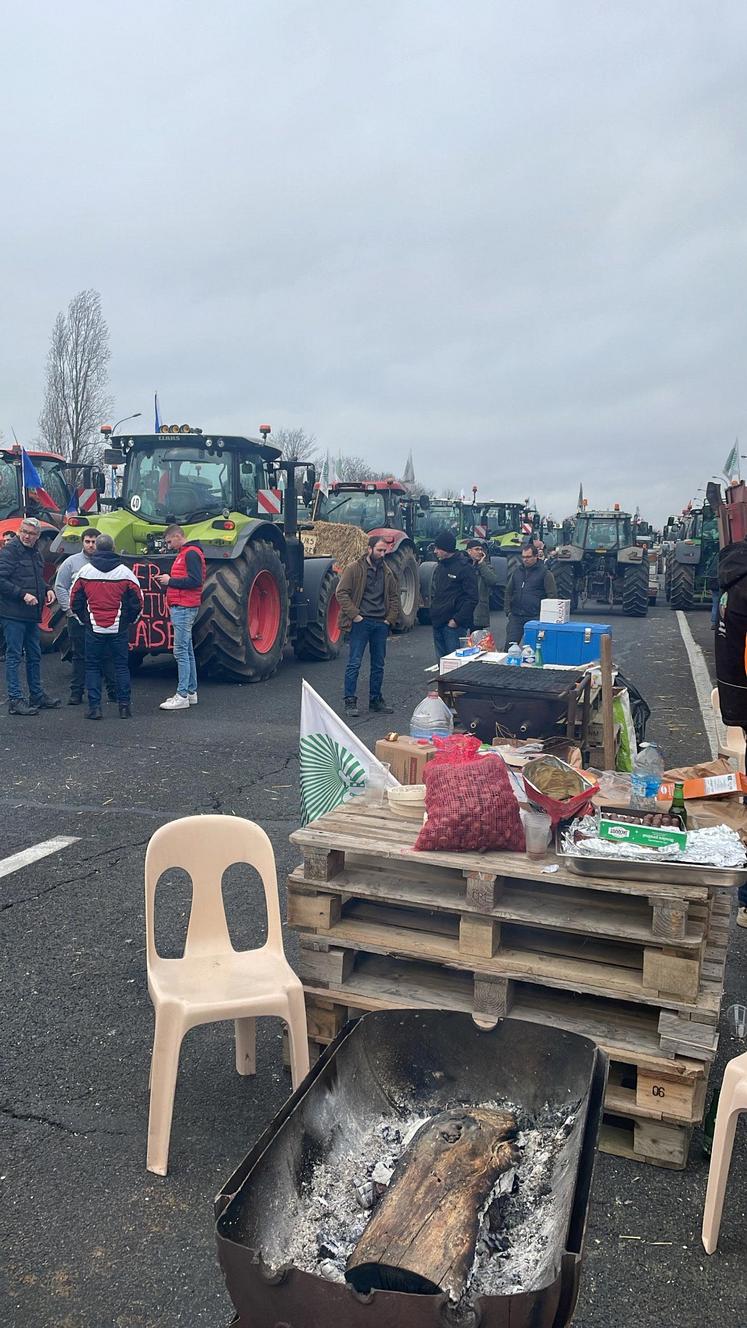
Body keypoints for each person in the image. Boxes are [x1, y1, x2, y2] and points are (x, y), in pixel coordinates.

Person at [70, 533, 144, 720]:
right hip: (118, 628)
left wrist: (85, 619)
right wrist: (129, 621)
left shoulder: (85, 571)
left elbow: (74, 600)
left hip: (94, 628)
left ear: (97, 547)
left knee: (92, 667)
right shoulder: (125, 572)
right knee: (121, 667)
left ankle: (95, 708)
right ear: (113, 548)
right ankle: (124, 707)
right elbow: (138, 601)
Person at [0, 517, 60, 715]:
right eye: (24, 531)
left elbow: (35, 578)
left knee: (34, 656)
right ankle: (15, 700)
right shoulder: (10, 551)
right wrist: (22, 594)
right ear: (19, 531)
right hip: (13, 614)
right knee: (14, 656)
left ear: (37, 537)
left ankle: (36, 695)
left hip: (31, 616)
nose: (27, 536)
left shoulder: (35, 553)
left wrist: (47, 588)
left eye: (32, 534)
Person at [336, 535, 400, 717]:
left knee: (378, 664)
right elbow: (341, 593)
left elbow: (394, 597)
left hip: (381, 623)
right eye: (379, 550)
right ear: (369, 549)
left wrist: (390, 618)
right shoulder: (354, 569)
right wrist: (355, 616)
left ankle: (375, 700)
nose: (382, 554)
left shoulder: (387, 572)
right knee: (354, 663)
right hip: (361, 622)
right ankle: (350, 700)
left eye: (384, 551)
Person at [54, 529, 117, 705]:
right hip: (77, 618)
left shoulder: (108, 564)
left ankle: (113, 691)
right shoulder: (71, 563)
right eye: (88, 541)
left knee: (106, 654)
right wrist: (70, 611)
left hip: (101, 618)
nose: (91, 545)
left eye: (94, 541)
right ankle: (76, 693)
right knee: (79, 656)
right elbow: (60, 586)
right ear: (82, 542)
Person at [155, 524, 206, 711]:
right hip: (184, 605)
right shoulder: (188, 552)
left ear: (177, 536)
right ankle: (191, 692)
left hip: (184, 607)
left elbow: (195, 580)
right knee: (188, 651)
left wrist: (170, 581)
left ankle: (182, 694)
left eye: (169, 541)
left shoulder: (190, 554)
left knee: (180, 652)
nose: (168, 545)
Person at [429, 530, 479, 659]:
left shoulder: (465, 568)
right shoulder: (440, 567)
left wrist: (456, 620)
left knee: (454, 664)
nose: (435, 551)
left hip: (453, 627)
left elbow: (472, 598)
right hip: (438, 622)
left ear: (446, 549)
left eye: (438, 548)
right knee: (442, 663)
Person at [504, 542, 557, 649]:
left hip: (535, 617)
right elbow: (508, 592)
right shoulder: (517, 572)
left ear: (536, 557)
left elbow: (552, 595)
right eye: (523, 557)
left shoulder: (545, 573)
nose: (525, 559)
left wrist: (545, 616)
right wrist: (508, 611)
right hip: (516, 616)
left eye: (528, 557)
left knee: (534, 649)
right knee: (509, 648)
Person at [465, 539, 499, 629]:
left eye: (481, 549)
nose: (480, 552)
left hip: (478, 611)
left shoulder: (485, 566)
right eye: (477, 549)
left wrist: (481, 565)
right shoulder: (462, 566)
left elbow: (493, 580)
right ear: (469, 551)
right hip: (462, 610)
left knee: (476, 640)